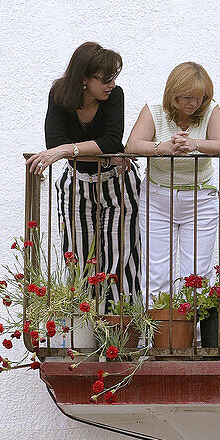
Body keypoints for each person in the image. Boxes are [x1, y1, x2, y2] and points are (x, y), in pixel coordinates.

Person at [26, 42, 141, 306]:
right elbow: (52, 142)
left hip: (117, 182)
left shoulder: (115, 96)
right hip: (77, 183)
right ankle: (84, 329)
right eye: (106, 78)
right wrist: (96, 151)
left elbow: (112, 142)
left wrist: (68, 150)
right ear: (84, 78)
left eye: (114, 77)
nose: (112, 84)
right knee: (78, 257)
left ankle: (119, 329)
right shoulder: (59, 95)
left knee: (120, 258)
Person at [125, 62, 220, 303]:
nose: (194, 104)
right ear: (173, 94)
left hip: (200, 199)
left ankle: (194, 338)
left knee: (197, 275)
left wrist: (195, 144)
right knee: (157, 273)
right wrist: (164, 148)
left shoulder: (211, 110)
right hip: (158, 198)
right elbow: (132, 145)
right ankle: (157, 338)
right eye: (187, 97)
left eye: (200, 97)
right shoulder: (153, 111)